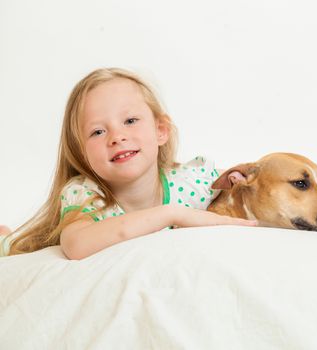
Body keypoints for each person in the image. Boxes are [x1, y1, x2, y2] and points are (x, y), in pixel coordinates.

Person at [1, 68, 256, 259]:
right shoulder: (86, 194)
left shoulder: (193, 181)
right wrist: (172, 213)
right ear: (82, 152)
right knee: (12, 246)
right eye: (98, 132)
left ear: (161, 130)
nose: (117, 137)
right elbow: (77, 246)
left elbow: (254, 179)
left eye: (130, 121)